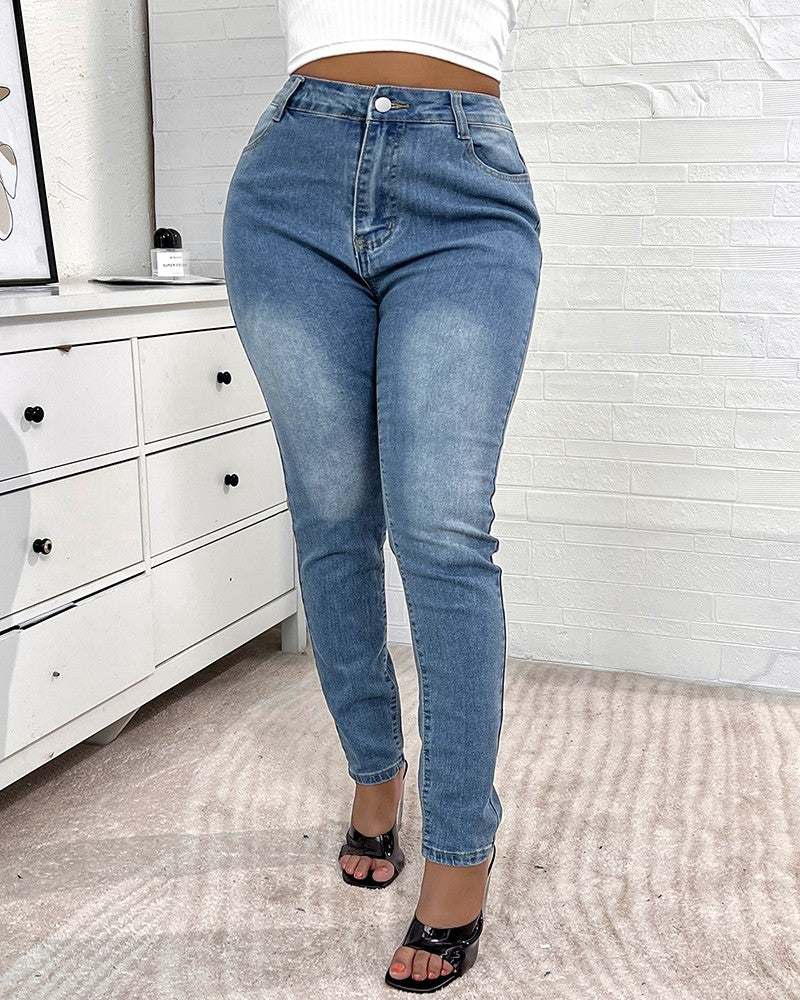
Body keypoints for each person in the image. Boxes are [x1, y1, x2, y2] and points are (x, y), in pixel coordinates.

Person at [222, 0, 541, 991]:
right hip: (291, 180)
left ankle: (460, 849)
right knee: (331, 515)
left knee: (443, 531)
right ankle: (374, 772)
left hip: (465, 178)